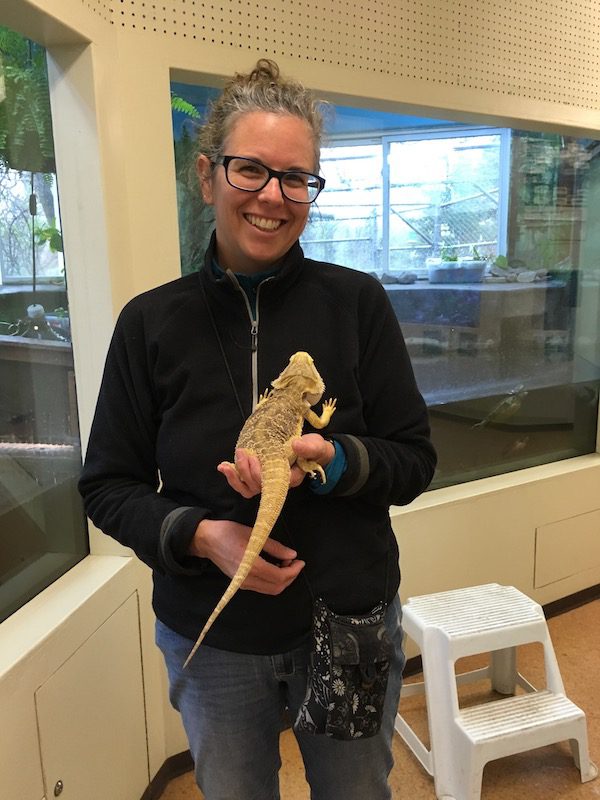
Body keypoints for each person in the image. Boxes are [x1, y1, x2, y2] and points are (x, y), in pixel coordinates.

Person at [79, 58, 437, 800]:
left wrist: (333, 459)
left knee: (357, 792)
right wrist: (200, 533)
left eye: (296, 177)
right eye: (250, 170)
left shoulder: (358, 304)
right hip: (213, 638)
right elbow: (107, 486)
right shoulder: (149, 322)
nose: (273, 196)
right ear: (208, 175)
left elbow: (413, 460)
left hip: (346, 618)